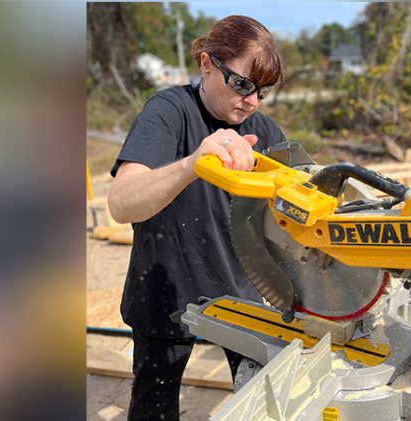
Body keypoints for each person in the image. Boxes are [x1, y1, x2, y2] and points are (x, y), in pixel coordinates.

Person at [106, 15, 287, 420]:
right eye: (242, 84)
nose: (252, 100)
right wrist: (193, 163)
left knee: (267, 403)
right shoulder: (169, 111)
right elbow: (121, 203)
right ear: (207, 64)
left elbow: (307, 194)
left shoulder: (262, 130)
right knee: (154, 409)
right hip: (165, 293)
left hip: (240, 294)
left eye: (262, 90)